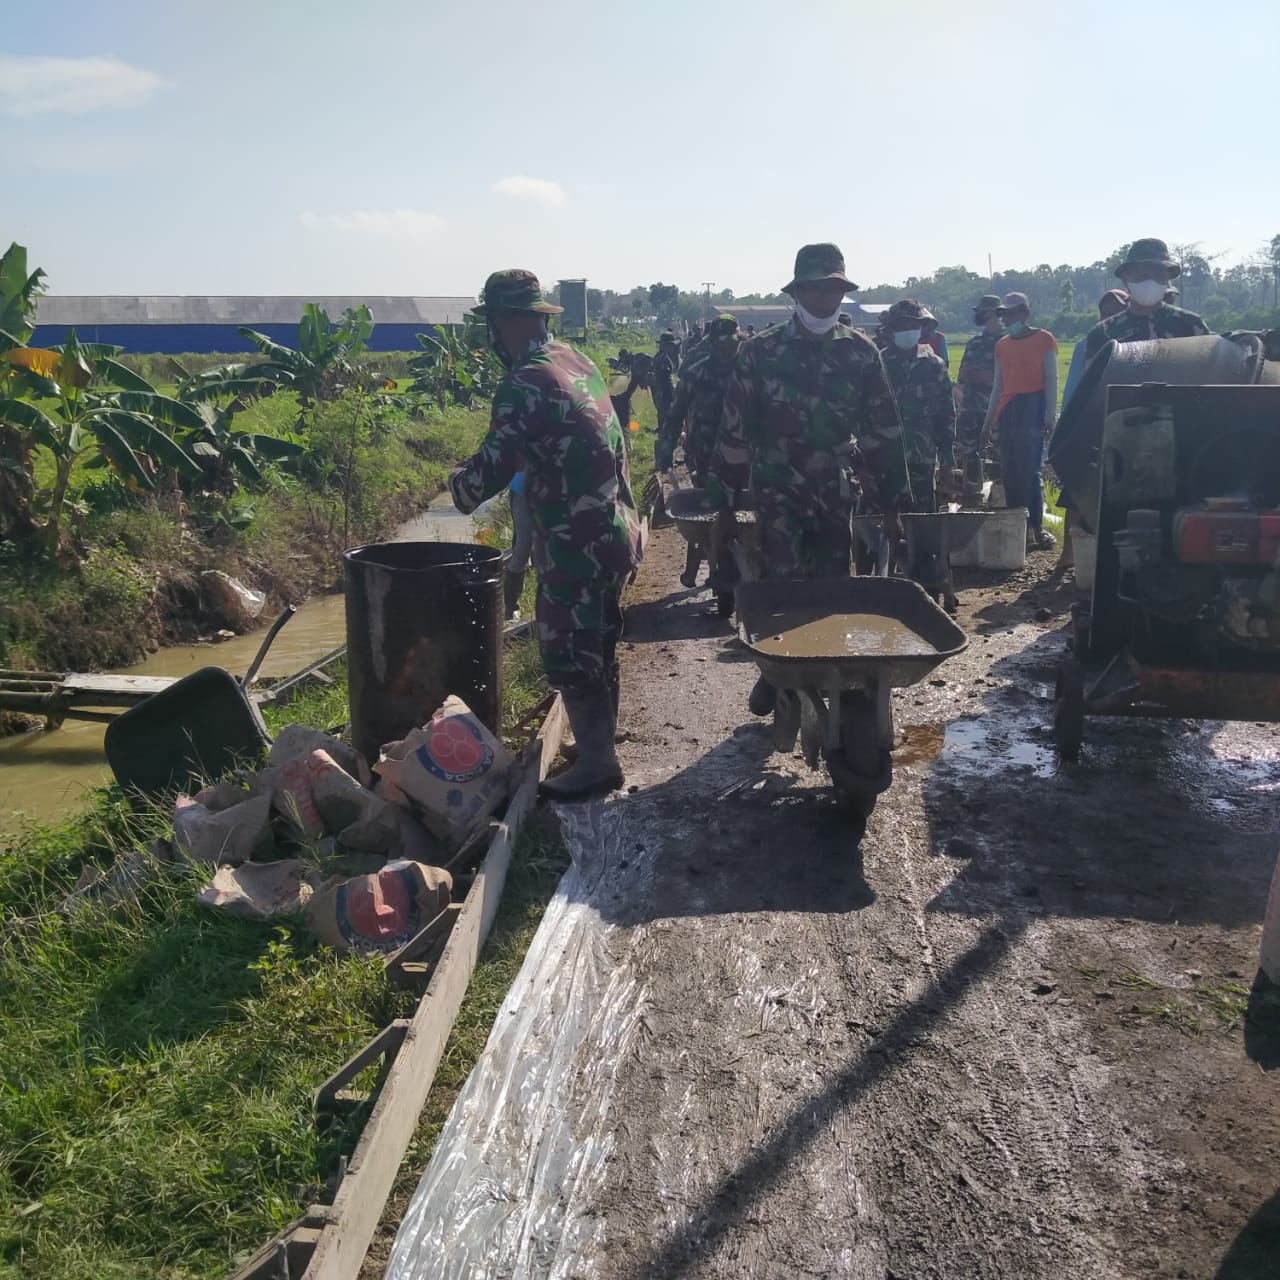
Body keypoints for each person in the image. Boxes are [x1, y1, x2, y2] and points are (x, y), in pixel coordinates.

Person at [449, 269, 642, 800]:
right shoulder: (574, 360)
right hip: (615, 530)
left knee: (565, 650)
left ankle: (600, 764)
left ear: (499, 323)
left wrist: (458, 486)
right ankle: (599, 745)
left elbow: (489, 470)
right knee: (598, 640)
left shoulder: (522, 381)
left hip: (574, 540)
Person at [706, 243, 909, 715]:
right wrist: (724, 506)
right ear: (798, 292)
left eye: (833, 289)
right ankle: (778, 674)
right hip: (779, 487)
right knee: (784, 584)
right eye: (816, 289)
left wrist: (893, 504)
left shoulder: (861, 353)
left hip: (837, 488)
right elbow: (734, 433)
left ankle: (828, 676)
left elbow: (884, 432)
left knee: (836, 585)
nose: (825, 298)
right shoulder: (761, 352)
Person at [656, 315, 744, 587]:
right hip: (704, 453)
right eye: (719, 346)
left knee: (746, 508)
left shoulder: (751, 372)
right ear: (711, 345)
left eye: (729, 346)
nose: (725, 352)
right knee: (710, 509)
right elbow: (676, 413)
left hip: (746, 454)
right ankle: (709, 555)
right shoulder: (697, 372)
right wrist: (665, 449)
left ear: (738, 342)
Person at [981, 291, 1058, 551]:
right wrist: (988, 421)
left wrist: (1049, 416)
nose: (1007, 318)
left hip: (1032, 406)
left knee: (1030, 471)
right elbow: (998, 387)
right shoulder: (1002, 345)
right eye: (1003, 314)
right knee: (1010, 471)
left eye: (1012, 313)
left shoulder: (1044, 340)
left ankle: (1037, 529)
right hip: (1008, 410)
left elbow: (1051, 381)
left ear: (1024, 314)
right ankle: (1020, 531)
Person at [880, 300, 956, 513]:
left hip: (923, 456)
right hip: (886, 455)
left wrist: (948, 458)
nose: (907, 331)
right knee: (886, 515)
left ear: (921, 328)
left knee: (923, 515)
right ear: (892, 330)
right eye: (901, 326)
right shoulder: (878, 364)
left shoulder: (934, 365)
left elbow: (946, 413)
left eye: (912, 326)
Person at [1083, 238, 1209, 359]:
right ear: (1125, 278)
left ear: (1168, 279)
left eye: (1158, 275)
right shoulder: (1103, 333)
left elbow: (1211, 372)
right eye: (1142, 275)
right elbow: (1093, 378)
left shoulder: (1191, 325)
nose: (1150, 281)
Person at [955, 294, 1003, 496]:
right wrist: (975, 376)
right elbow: (961, 375)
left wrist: (988, 377)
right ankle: (971, 492)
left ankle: (1002, 494)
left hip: (997, 408)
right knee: (968, 451)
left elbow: (1008, 377)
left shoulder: (1005, 342)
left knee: (1000, 453)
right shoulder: (974, 343)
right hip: (971, 407)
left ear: (994, 313)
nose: (980, 315)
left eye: (983, 311)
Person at [1061, 289, 1128, 410]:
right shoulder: (1084, 346)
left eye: (1118, 311)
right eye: (1106, 312)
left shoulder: (1138, 344)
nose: (1111, 317)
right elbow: (1072, 389)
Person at [651, 331, 679, 427]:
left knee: (662, 412)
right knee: (666, 412)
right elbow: (666, 380)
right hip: (664, 391)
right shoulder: (663, 359)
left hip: (660, 391)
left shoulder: (660, 356)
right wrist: (673, 392)